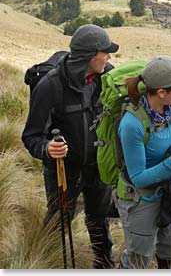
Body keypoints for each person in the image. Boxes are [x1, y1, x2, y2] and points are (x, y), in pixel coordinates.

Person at [22, 24, 119, 269]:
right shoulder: (50, 86)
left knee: (99, 219)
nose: (109, 57)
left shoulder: (107, 77)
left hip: (98, 167)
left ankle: (105, 265)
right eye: (104, 53)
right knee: (59, 222)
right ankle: (45, 262)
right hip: (64, 170)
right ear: (89, 56)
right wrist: (47, 149)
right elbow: (31, 136)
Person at [114, 55, 171, 269]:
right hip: (140, 198)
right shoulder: (132, 124)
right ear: (161, 92)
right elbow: (138, 178)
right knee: (139, 256)